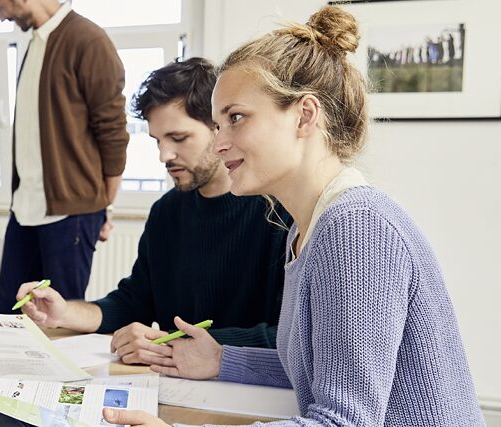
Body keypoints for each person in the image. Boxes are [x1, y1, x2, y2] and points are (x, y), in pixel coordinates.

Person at [102, 6, 485, 426]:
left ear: (304, 115)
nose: (220, 142)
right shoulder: (306, 228)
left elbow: (342, 421)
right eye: (216, 125)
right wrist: (222, 358)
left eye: (235, 119)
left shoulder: (355, 228)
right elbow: (316, 368)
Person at [16, 58, 291, 366]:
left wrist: (173, 345)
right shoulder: (167, 211)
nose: (165, 155)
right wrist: (65, 312)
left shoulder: (278, 212)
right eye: (157, 141)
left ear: (219, 128)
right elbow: (133, 302)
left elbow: (287, 336)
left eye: (179, 138)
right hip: (177, 381)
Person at [0, 0, 130, 313]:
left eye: (0, 5)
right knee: (4, 315)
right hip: (25, 209)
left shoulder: (88, 40)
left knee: (61, 320)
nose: (2, 16)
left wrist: (105, 204)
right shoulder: (35, 44)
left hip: (72, 213)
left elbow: (113, 132)